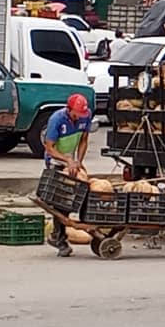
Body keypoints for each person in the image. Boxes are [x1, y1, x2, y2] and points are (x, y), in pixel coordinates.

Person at [43, 94, 93, 257]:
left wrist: (78, 160)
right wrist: (67, 160)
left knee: (78, 196)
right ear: (69, 109)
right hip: (56, 161)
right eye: (77, 113)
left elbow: (84, 139)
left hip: (72, 160)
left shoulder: (86, 116)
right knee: (60, 201)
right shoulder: (56, 120)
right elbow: (49, 148)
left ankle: (59, 235)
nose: (80, 117)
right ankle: (59, 238)